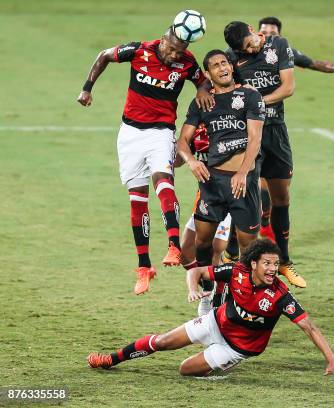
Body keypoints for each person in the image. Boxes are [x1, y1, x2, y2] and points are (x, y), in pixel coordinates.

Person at [87, 239, 334, 380]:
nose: (272, 269)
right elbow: (198, 271)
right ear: (254, 262)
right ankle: (111, 359)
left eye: (276, 264)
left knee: (185, 371)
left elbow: (308, 326)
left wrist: (332, 360)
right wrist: (192, 288)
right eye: (267, 263)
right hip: (216, 322)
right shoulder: (237, 272)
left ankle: (221, 363)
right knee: (164, 341)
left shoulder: (279, 295)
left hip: (237, 347)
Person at [77, 24, 212, 295]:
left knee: (164, 182)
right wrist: (87, 88)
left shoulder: (187, 63)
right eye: (172, 48)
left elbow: (204, 81)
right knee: (137, 199)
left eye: (181, 50)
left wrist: (202, 89)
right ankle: (144, 266)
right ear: (163, 39)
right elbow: (104, 55)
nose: (175, 55)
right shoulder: (139, 50)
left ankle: (174, 244)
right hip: (129, 134)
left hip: (161, 132)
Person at [256, 17, 334, 240]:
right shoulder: (246, 52)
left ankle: (266, 225)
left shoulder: (284, 51)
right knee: (258, 183)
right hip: (251, 125)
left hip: (275, 126)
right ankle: (255, 230)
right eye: (264, 31)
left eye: (273, 32)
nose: (268, 35)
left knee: (275, 186)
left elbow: (315, 63)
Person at [176, 49, 265, 314]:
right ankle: (207, 295)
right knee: (203, 244)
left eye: (224, 63)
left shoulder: (250, 95)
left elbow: (255, 139)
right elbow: (182, 140)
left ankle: (245, 300)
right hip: (213, 183)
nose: (222, 67)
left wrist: (243, 172)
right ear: (209, 73)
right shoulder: (202, 103)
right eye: (215, 65)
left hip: (243, 183)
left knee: (250, 248)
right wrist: (192, 161)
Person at [224, 21, 306, 288]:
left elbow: (288, 88)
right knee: (249, 199)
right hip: (249, 136)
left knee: (281, 196)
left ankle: (284, 261)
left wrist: (256, 100)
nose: (249, 50)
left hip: (276, 133)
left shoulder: (279, 45)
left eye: (250, 43)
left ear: (252, 31)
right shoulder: (231, 59)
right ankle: (234, 253)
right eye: (244, 49)